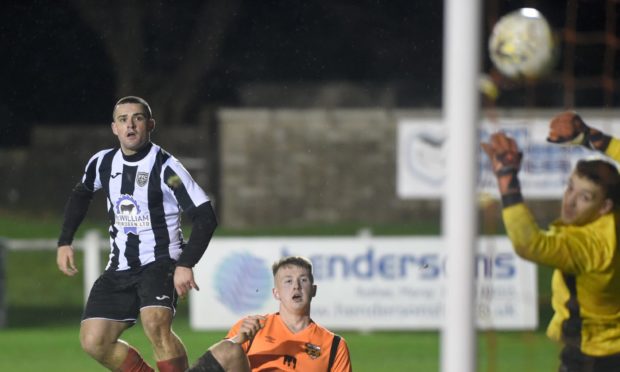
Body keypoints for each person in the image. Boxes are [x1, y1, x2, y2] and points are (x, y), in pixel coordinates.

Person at [56, 96, 218, 372]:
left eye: (138, 118)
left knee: (155, 323)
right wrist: (65, 241)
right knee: (94, 340)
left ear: (150, 124)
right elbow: (81, 195)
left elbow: (205, 217)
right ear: (114, 128)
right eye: (123, 119)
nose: (130, 125)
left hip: (161, 262)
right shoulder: (102, 163)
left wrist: (185, 263)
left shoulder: (168, 169)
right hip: (120, 267)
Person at [481, 111, 620, 372]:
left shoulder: (590, 248)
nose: (569, 201)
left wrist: (507, 179)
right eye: (570, 187)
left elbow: (530, 244)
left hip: (593, 359)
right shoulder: (613, 219)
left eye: (585, 197)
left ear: (605, 206)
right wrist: (589, 136)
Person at [188, 256, 352, 372]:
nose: (296, 286)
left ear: (314, 290)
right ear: (276, 293)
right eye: (288, 281)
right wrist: (238, 339)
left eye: (303, 280)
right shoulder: (252, 327)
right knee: (229, 348)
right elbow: (222, 362)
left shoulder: (334, 345)